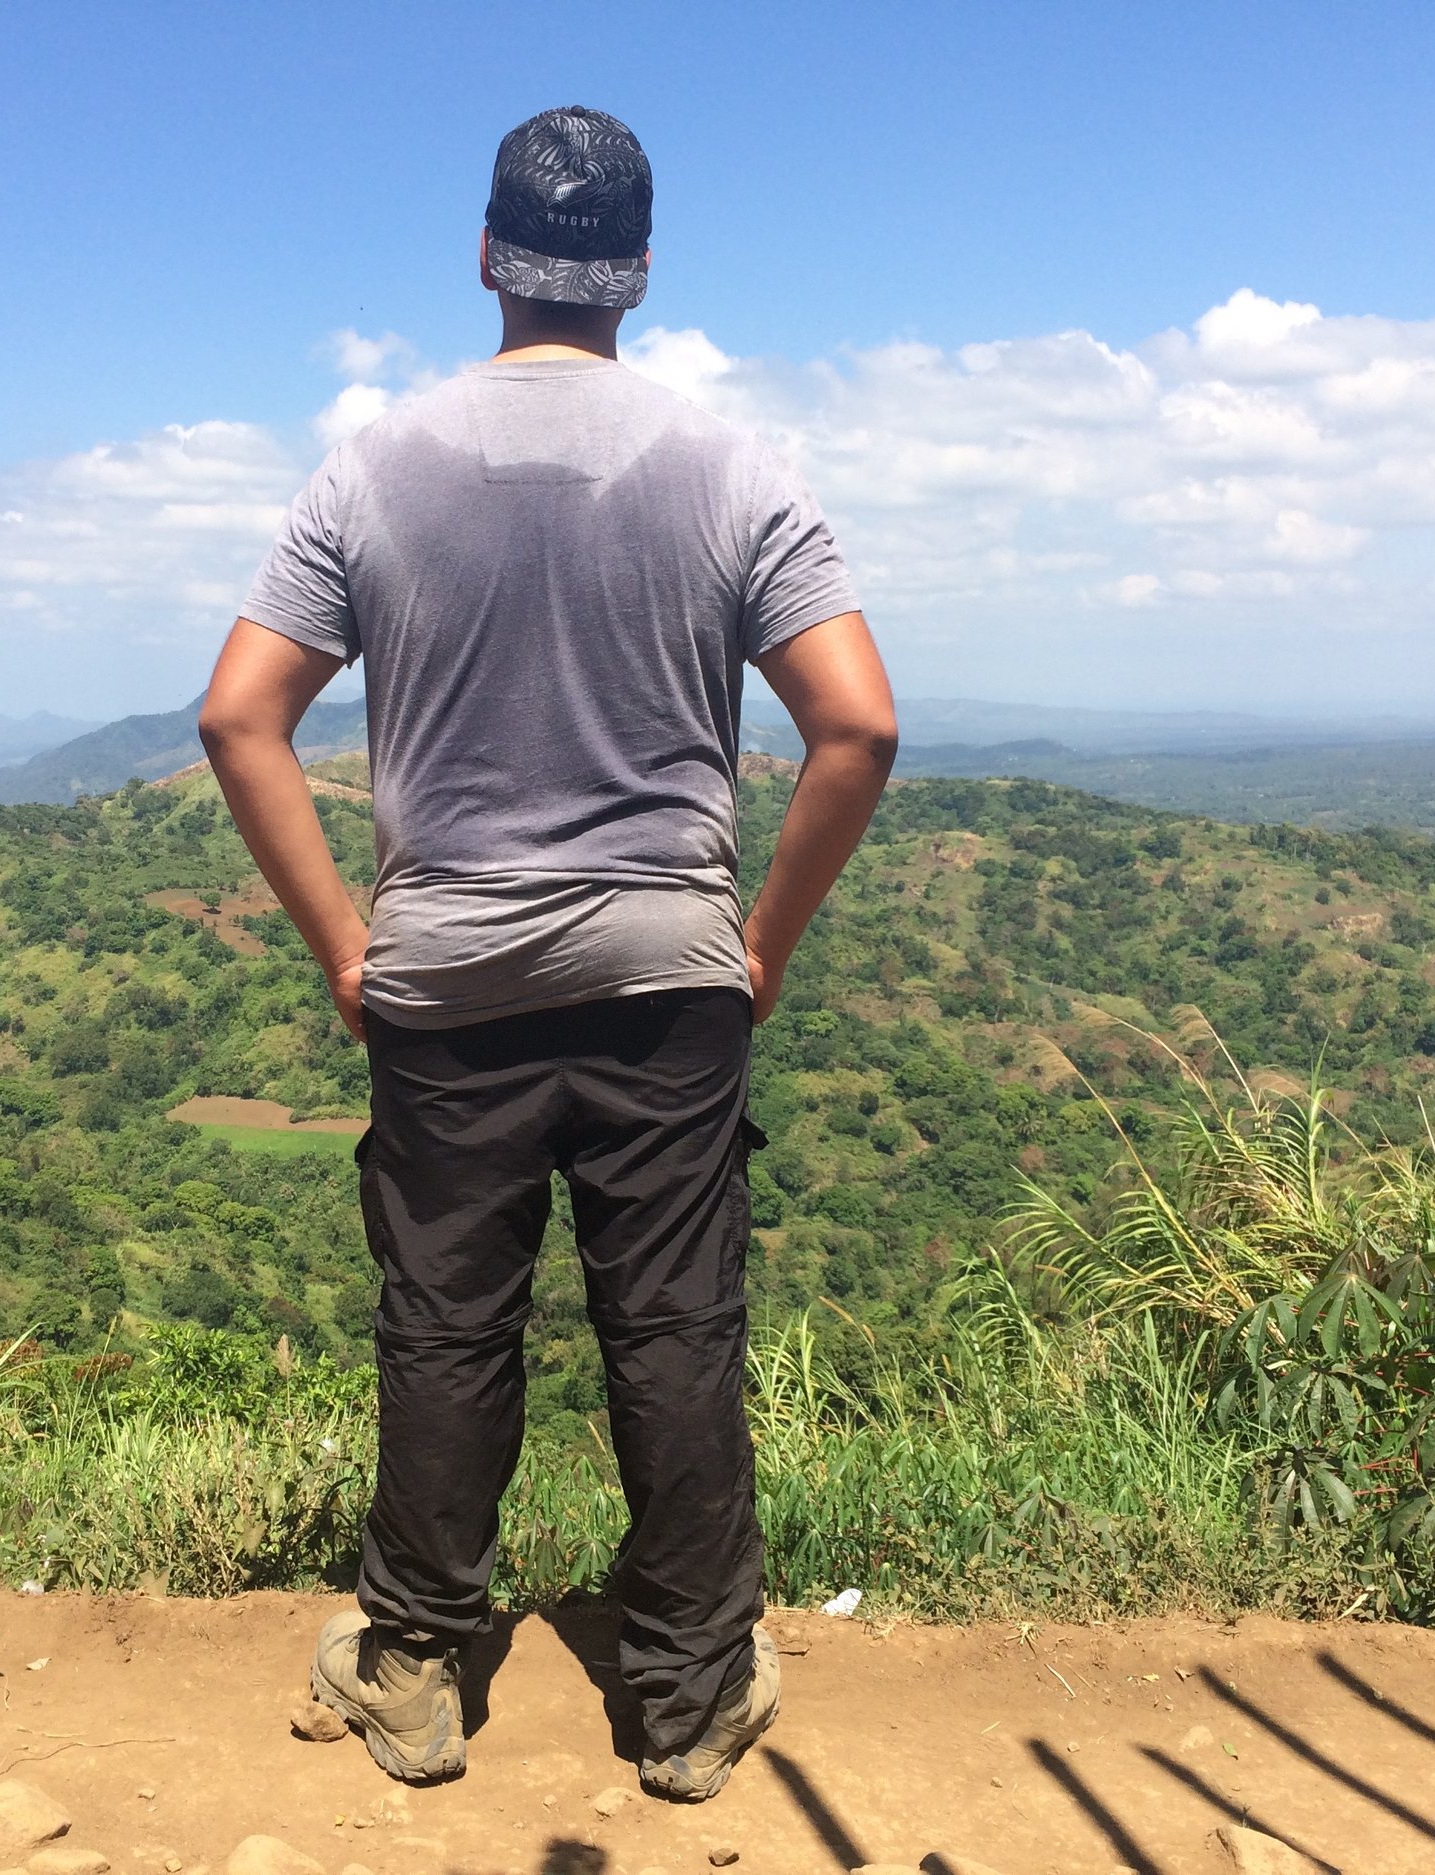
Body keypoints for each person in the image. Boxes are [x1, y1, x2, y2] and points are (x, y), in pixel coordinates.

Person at [198, 105, 896, 1801]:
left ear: (488, 257)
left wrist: (351, 951)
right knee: (672, 1326)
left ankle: (419, 1668)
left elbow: (239, 715)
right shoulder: (737, 466)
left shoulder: (371, 466)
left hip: (448, 985)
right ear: (641, 273)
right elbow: (856, 729)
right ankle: (687, 1694)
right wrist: (759, 947)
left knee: (447, 1322)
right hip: (668, 976)